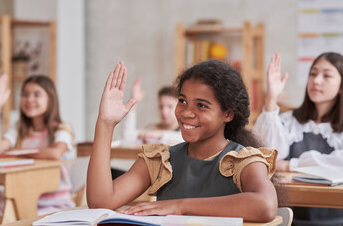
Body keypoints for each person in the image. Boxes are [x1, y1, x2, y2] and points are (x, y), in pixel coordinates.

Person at [87, 60, 278, 222]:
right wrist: (105, 124)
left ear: (227, 114)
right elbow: (101, 202)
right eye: (182, 101)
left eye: (201, 105)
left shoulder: (243, 161)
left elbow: (266, 205)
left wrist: (180, 206)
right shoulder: (161, 160)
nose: (186, 112)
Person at [253, 52, 343, 225]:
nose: (316, 81)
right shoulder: (290, 120)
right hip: (291, 217)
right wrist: (271, 100)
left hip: (336, 219)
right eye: (313, 73)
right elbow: (266, 154)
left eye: (327, 75)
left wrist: (290, 165)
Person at [0, 74, 76, 216]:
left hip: (54, 203)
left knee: (27, 217)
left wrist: (17, 153)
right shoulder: (19, 128)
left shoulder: (62, 128)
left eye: (36, 94)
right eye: (25, 94)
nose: (29, 99)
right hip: (21, 197)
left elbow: (55, 153)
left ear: (50, 100)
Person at [122, 76, 183, 146]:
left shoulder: (184, 131)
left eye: (170, 106)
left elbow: (183, 139)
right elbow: (127, 136)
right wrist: (134, 101)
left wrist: (160, 134)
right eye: (161, 107)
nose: (164, 111)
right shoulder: (151, 129)